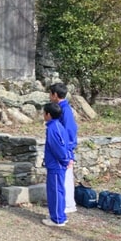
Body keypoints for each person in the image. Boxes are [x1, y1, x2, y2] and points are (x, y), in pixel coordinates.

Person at [49, 83, 78, 214]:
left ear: (55, 95)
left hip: (65, 149)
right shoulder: (60, 108)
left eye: (50, 94)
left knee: (65, 178)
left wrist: (69, 152)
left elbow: (70, 131)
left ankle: (67, 204)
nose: (49, 96)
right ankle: (64, 204)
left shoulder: (65, 110)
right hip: (61, 148)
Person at [42, 102, 69, 227]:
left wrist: (64, 160)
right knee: (58, 191)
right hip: (56, 164)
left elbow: (58, 148)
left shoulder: (53, 129)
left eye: (44, 113)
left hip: (56, 165)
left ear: (48, 114)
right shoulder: (57, 126)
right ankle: (59, 215)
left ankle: (57, 219)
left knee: (56, 191)